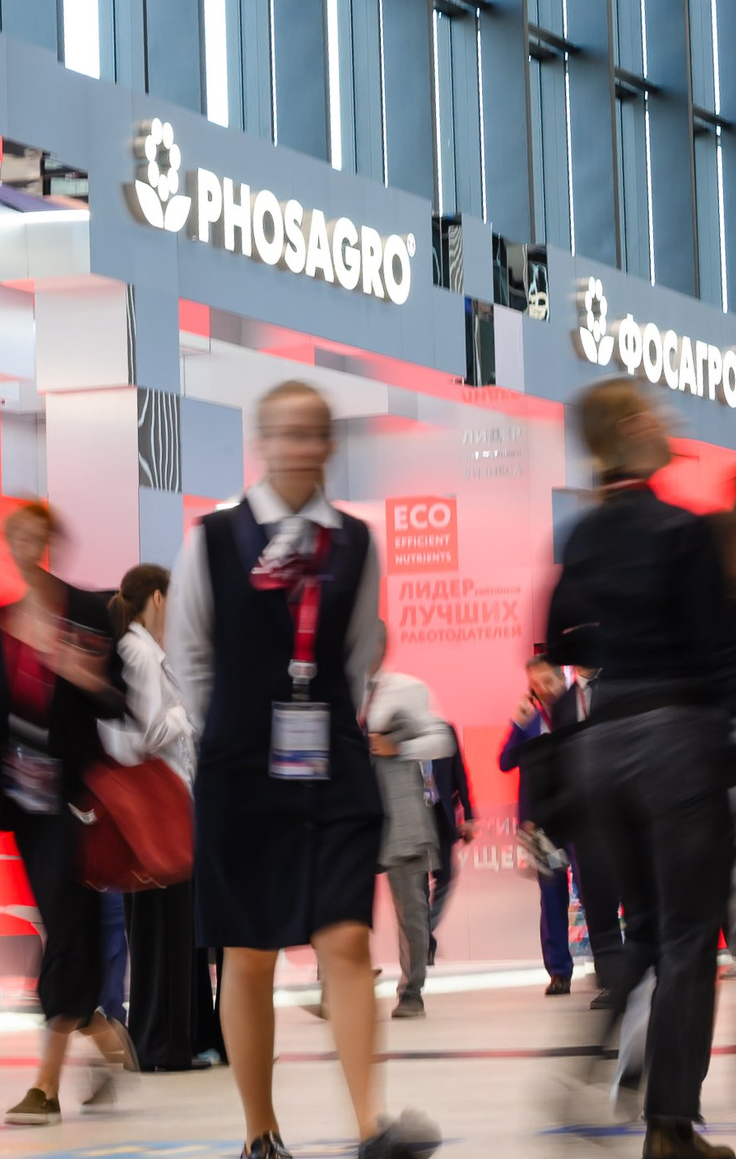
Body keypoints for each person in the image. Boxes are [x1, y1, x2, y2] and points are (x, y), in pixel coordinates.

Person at [167, 380, 440, 1159]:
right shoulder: (213, 538)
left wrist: (323, 724)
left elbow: (355, 655)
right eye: (284, 432)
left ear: (329, 444)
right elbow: (190, 655)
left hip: (333, 765)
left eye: (313, 432)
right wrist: (232, 735)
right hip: (239, 766)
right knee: (248, 950)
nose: (299, 446)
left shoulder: (354, 542)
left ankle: (370, 1126)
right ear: (262, 442)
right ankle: (261, 1132)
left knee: (346, 937)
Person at [545, 378, 736, 1159]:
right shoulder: (684, 531)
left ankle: (585, 1067)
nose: (668, 421)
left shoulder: (581, 537)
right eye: (656, 412)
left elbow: (560, 637)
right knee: (691, 935)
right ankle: (669, 1126)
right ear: (630, 426)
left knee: (645, 930)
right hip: (676, 740)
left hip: (604, 741)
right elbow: (719, 651)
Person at [0, 503, 139, 1126]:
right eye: (13, 537)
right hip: (25, 803)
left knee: (67, 929)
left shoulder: (88, 612)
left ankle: (46, 1085)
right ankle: (99, 1032)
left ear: (51, 541)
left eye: (33, 535)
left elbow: (123, 704)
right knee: (60, 926)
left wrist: (90, 680)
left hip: (79, 800)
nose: (23, 546)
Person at [103, 563, 213, 1073]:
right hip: (155, 807)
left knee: (169, 929)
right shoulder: (139, 652)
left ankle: (170, 1042)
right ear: (158, 598)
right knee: (161, 931)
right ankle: (161, 1045)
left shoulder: (143, 651)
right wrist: (183, 715)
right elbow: (145, 734)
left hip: (164, 805)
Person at [499, 659, 622, 1003]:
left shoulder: (578, 705)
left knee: (594, 893)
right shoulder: (529, 717)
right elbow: (505, 762)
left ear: (560, 677)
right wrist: (517, 724)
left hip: (582, 817)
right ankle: (559, 972)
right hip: (541, 824)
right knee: (552, 898)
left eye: (547, 680)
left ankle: (608, 970)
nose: (543, 688)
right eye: (535, 683)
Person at [363, 648, 456, 1021]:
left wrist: (399, 746)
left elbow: (442, 739)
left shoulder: (407, 689)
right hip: (351, 815)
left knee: (411, 913)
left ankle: (411, 992)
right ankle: (343, 984)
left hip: (401, 815)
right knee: (338, 908)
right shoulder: (336, 687)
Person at [426, 735, 476, 965]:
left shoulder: (444, 732)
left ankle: (422, 934)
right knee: (418, 885)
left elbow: (460, 776)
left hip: (442, 818)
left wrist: (469, 816)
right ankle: (423, 942)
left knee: (445, 877)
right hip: (415, 818)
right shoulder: (402, 731)